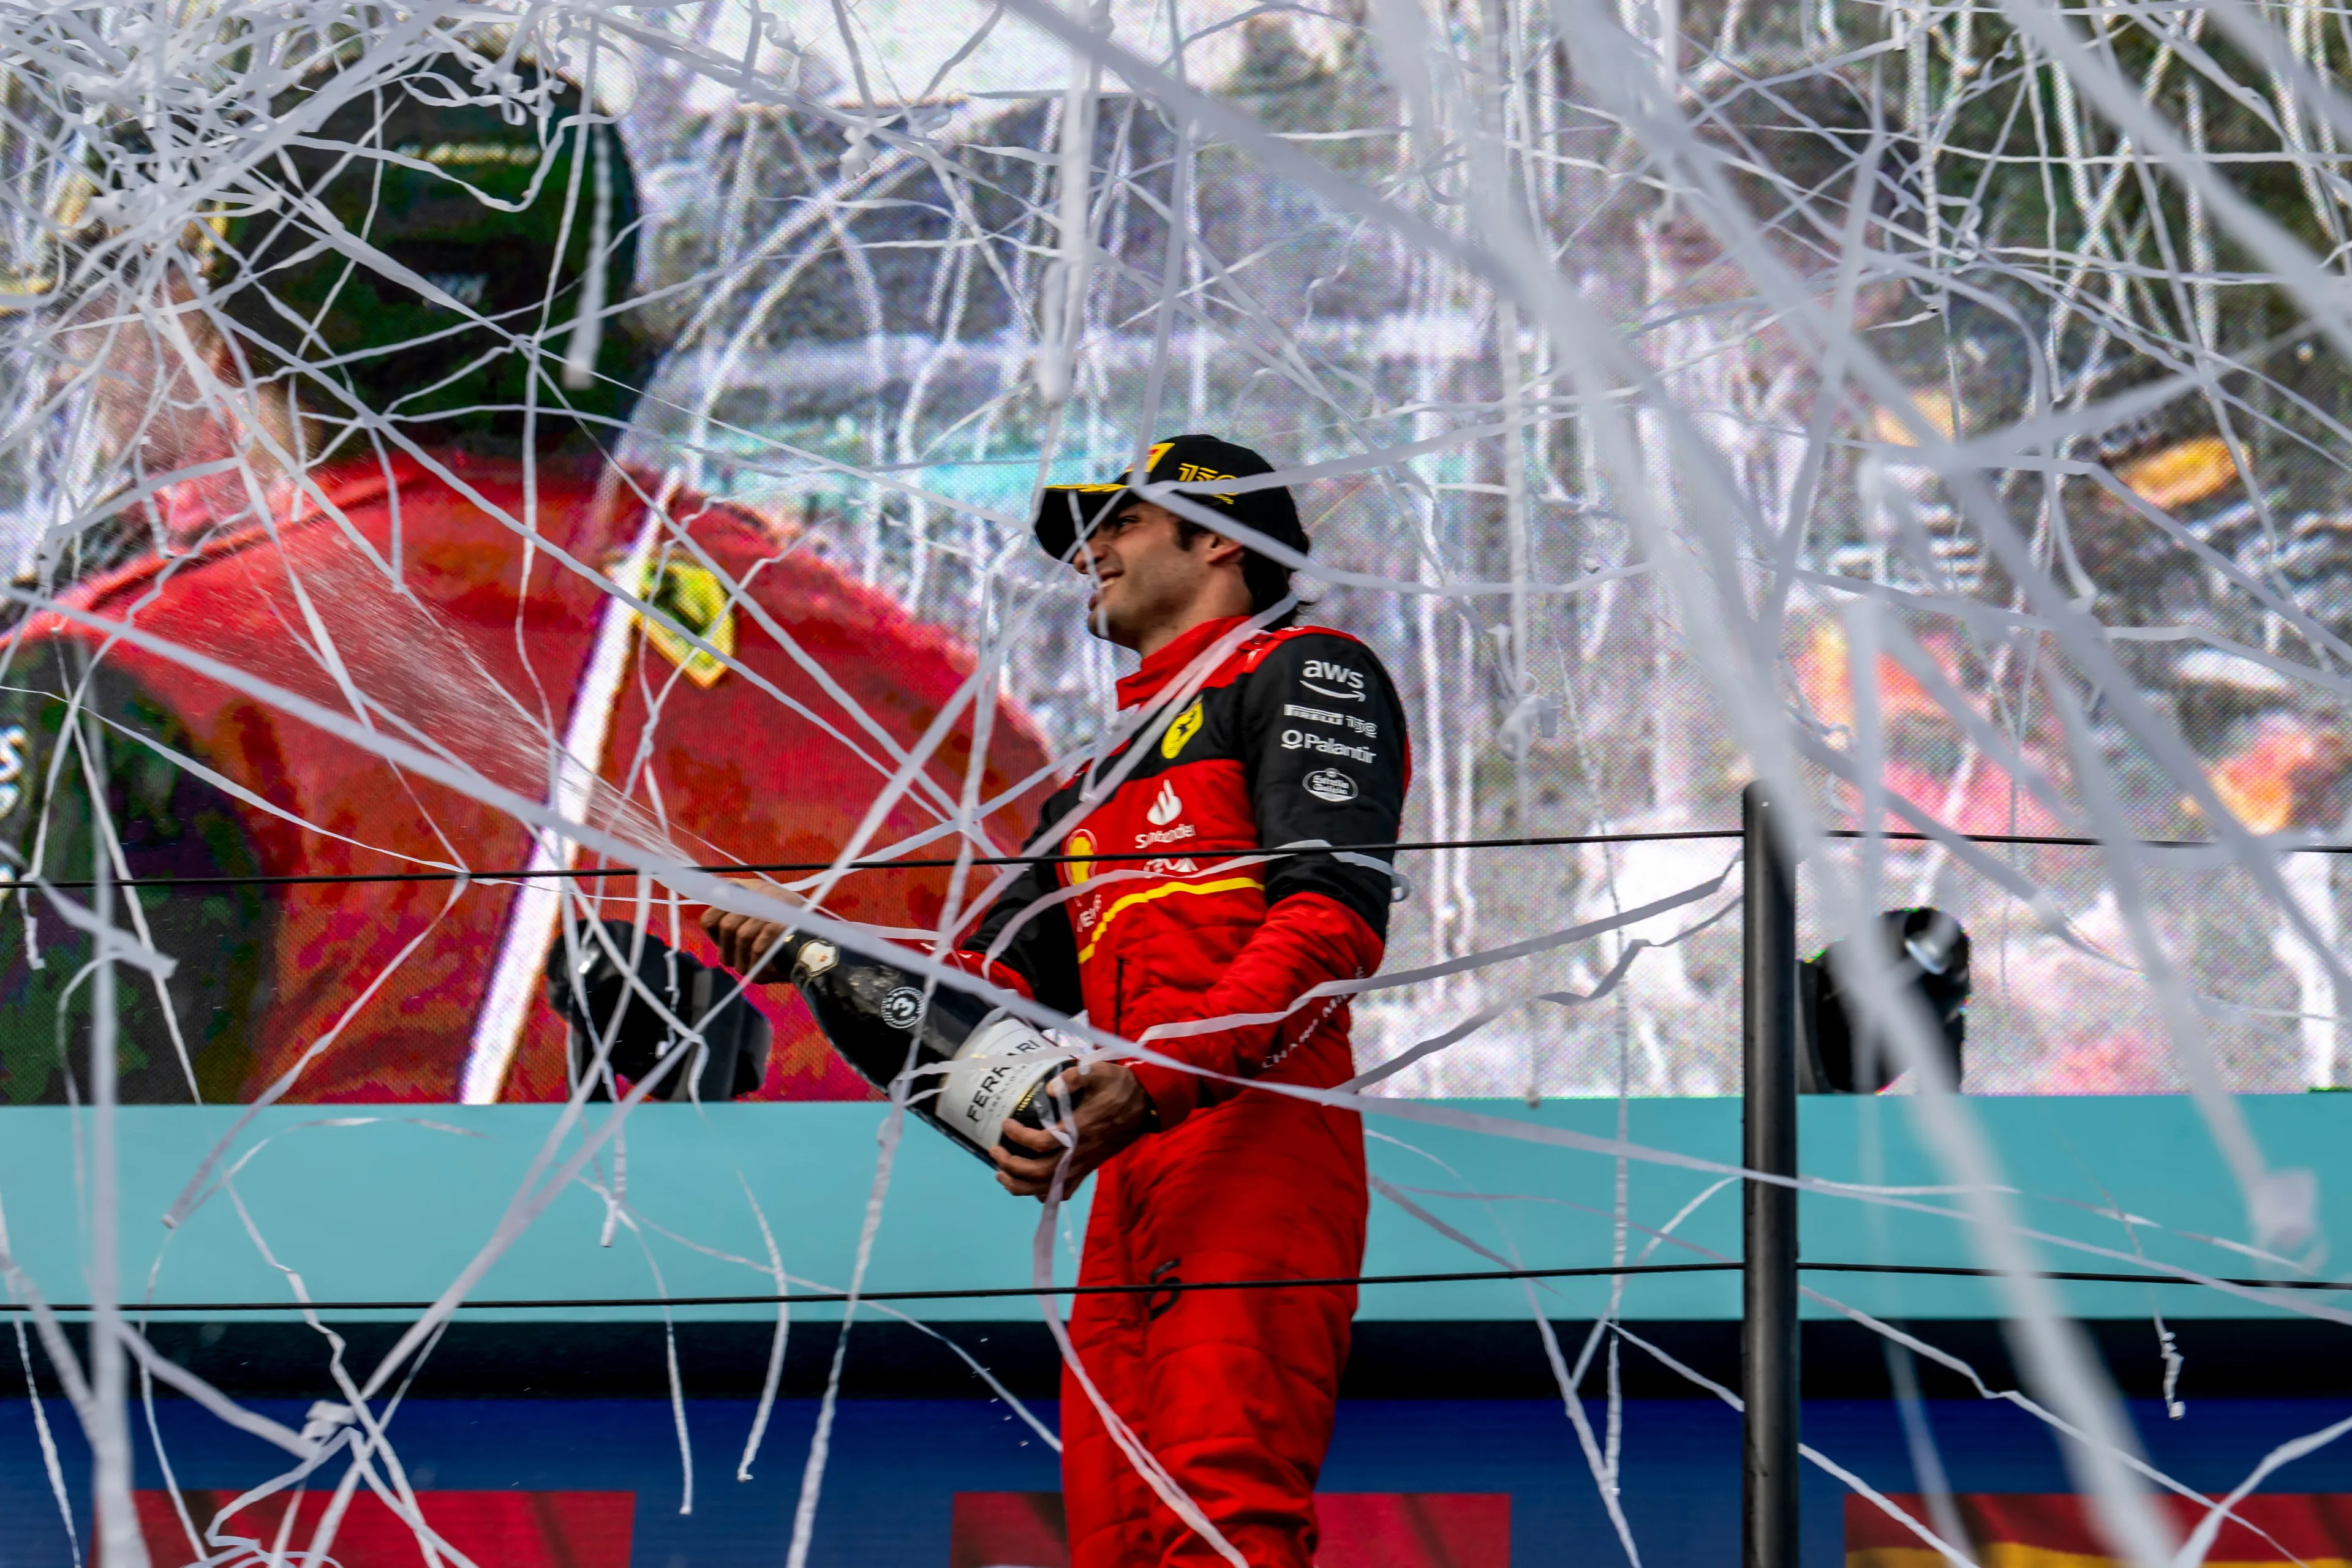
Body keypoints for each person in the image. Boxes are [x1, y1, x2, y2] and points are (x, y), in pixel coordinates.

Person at [0, 47, 1049, 1103]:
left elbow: (51, 1183)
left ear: (228, 342)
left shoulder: (149, 671)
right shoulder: (915, 683)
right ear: (622, 326)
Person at [706, 434, 1412, 1566]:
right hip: (1126, 1170)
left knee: (1222, 1520)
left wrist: (1153, 1083)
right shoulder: (1097, 776)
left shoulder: (1307, 668)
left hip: (1257, 1146)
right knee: (1116, 1540)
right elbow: (987, 978)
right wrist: (817, 941)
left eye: (1121, 522)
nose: (1090, 550)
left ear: (1219, 537)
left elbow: (1331, 924)